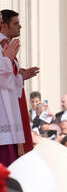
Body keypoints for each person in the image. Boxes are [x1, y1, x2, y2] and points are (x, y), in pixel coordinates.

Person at [0, 9, 39, 158]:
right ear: (4, 25)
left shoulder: (6, 44)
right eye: (15, 23)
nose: (20, 26)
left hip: (9, 105)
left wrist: (20, 76)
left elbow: (8, 76)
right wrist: (8, 60)